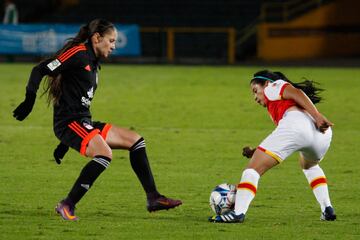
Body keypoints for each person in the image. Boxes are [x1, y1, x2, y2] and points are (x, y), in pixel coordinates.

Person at [13, 19, 182, 221]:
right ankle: (67, 204)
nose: (113, 46)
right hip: (69, 123)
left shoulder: (93, 63)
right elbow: (40, 69)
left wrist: (64, 144)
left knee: (136, 141)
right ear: (96, 38)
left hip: (82, 122)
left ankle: (153, 197)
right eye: (111, 41)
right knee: (104, 154)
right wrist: (29, 100)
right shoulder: (78, 53)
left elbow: (76, 100)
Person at [209, 70, 336, 223]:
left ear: (267, 84)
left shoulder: (273, 86)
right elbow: (284, 137)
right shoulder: (280, 104)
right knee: (309, 166)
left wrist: (317, 115)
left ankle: (238, 213)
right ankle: (327, 208)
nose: (255, 97)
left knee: (252, 170)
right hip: (321, 134)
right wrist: (256, 151)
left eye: (255, 91)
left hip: (302, 126)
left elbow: (296, 92)